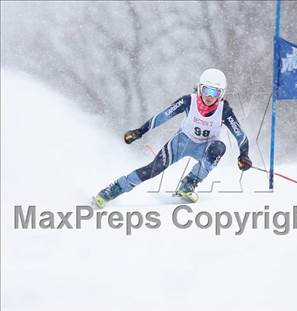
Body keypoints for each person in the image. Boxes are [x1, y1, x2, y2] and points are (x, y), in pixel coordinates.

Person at [93, 68, 252, 208]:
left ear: (221, 94)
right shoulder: (188, 101)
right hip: (182, 143)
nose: (209, 96)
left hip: (206, 147)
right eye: (206, 90)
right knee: (152, 170)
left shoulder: (224, 110)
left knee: (219, 148)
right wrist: (139, 132)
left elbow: (240, 135)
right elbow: (162, 116)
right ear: (199, 88)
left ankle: (188, 184)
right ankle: (111, 191)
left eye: (215, 92)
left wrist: (244, 155)